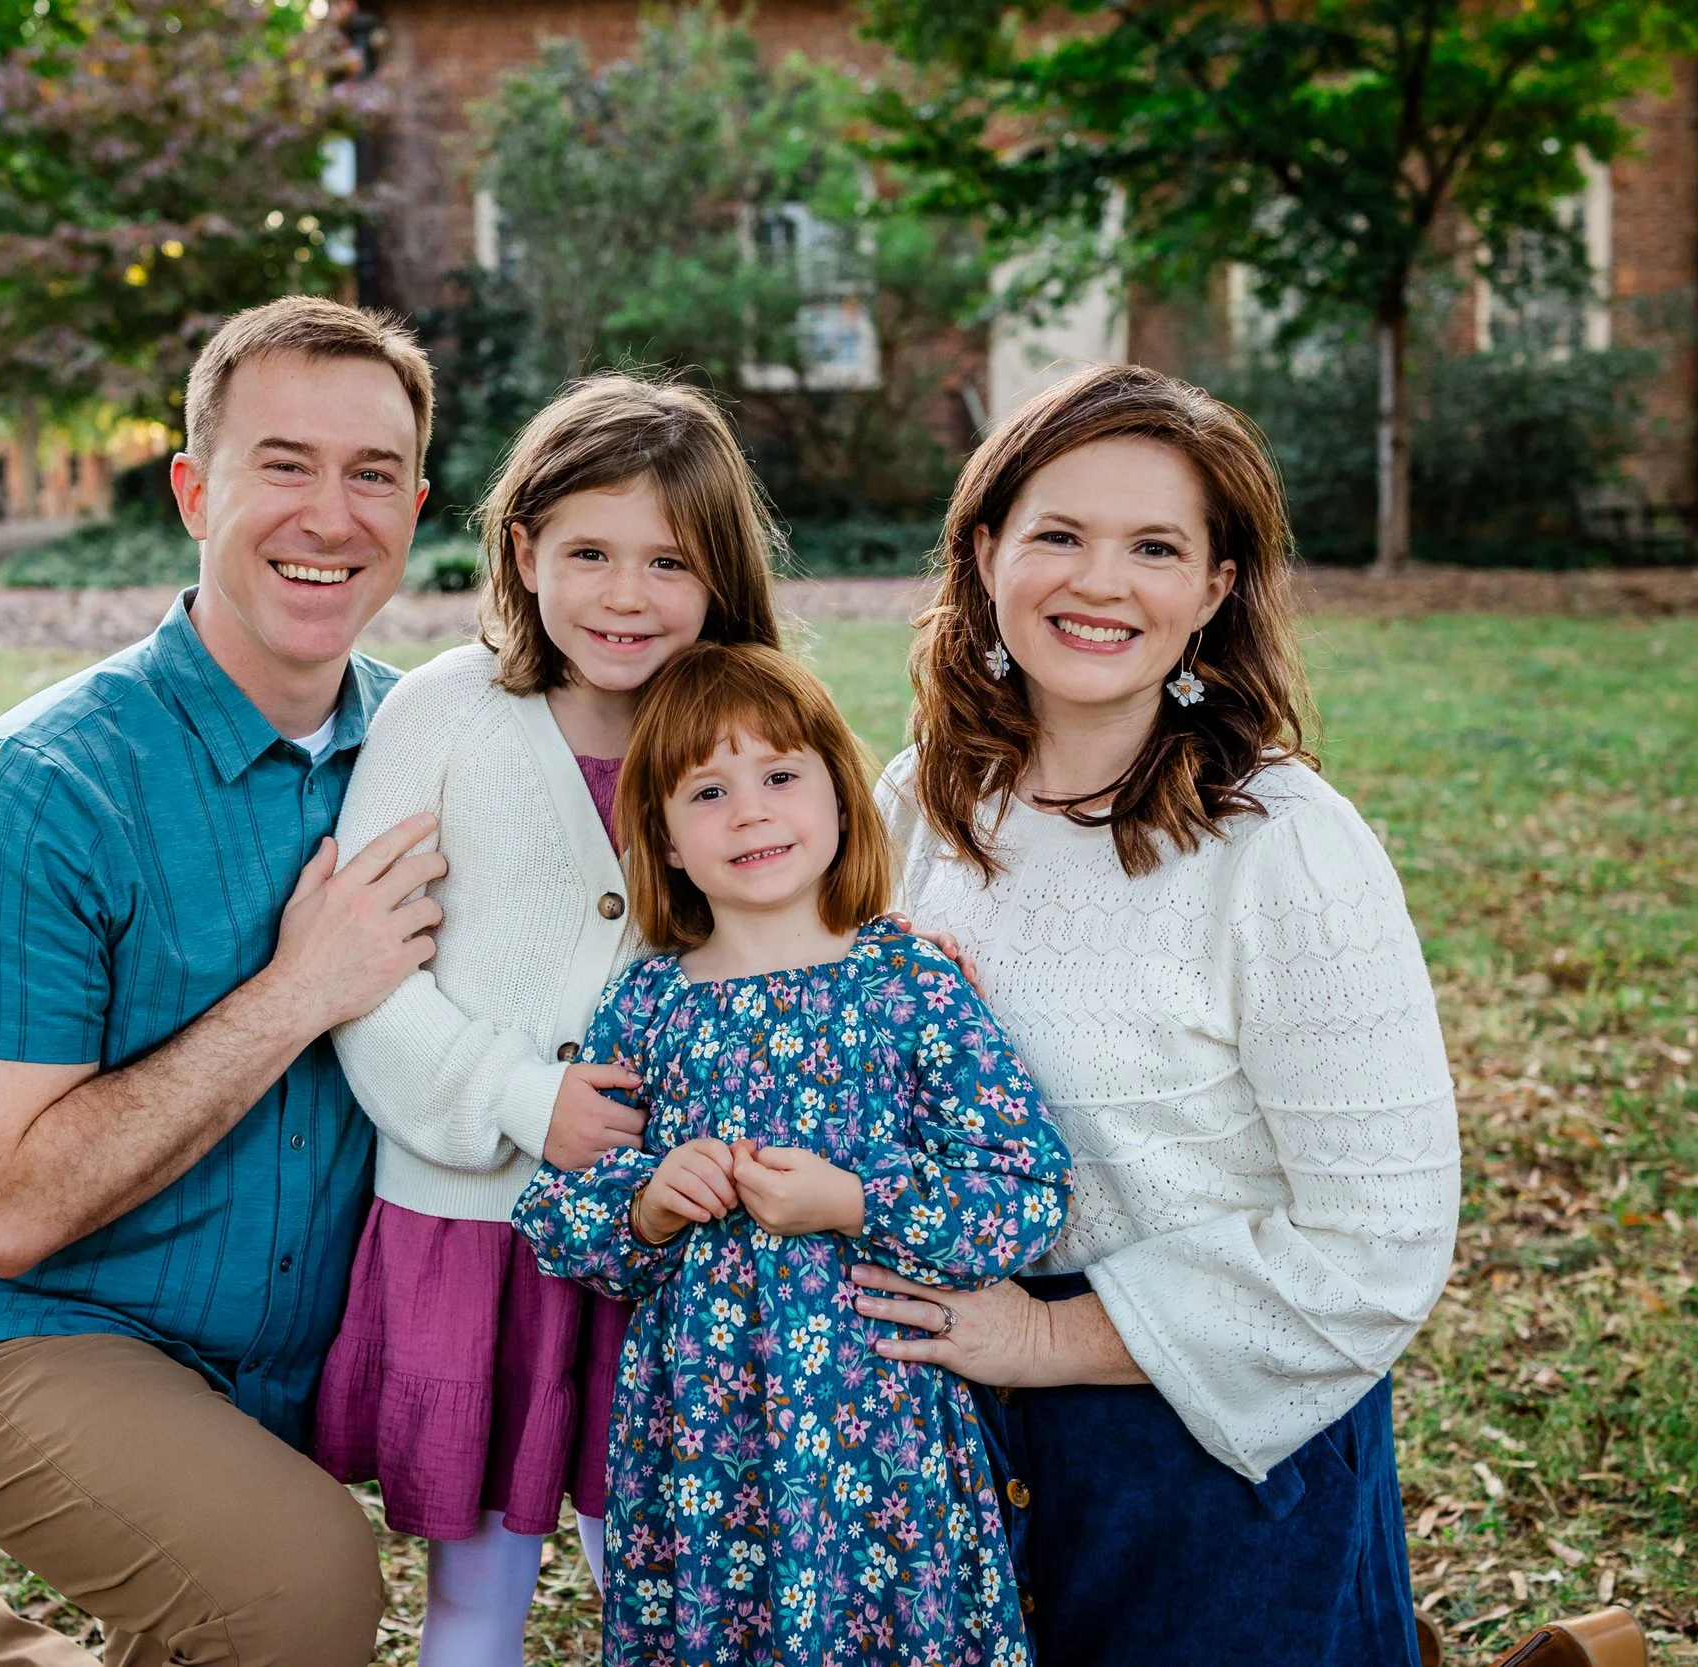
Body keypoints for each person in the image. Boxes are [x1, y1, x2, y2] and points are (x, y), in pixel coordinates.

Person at [0, 297, 445, 1667]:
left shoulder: (437, 752)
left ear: (417, 505)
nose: (330, 514)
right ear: (195, 492)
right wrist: (297, 988)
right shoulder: (39, 789)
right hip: (34, 1330)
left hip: (294, 1358)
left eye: (371, 472)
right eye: (284, 464)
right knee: (306, 1589)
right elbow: (10, 1208)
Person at [850, 363, 1462, 1666]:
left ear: (1214, 588)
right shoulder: (922, 797)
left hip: (1205, 1448)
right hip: (952, 1430)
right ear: (984, 548)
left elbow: (1381, 1241)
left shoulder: (1282, 843)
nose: (1100, 580)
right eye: (1059, 533)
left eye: (1155, 546)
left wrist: (1048, 1334)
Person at [310, 376, 786, 1667]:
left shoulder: (738, 736)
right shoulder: (444, 717)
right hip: (474, 1230)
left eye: (668, 561)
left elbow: (790, 931)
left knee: (658, 1570)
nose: (626, 596)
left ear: (718, 574)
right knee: (475, 1593)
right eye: (588, 552)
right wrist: (528, 1099)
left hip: (667, 1238)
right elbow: (364, 981)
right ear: (524, 551)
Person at [512, 643, 1074, 1667]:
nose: (751, 812)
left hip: (883, 1418)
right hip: (706, 1431)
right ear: (665, 840)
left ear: (839, 795)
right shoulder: (648, 1002)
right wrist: (649, 1201)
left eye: (779, 776)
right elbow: (557, 1213)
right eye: (707, 791)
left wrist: (855, 1199)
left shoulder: (907, 983)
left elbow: (1022, 1188)